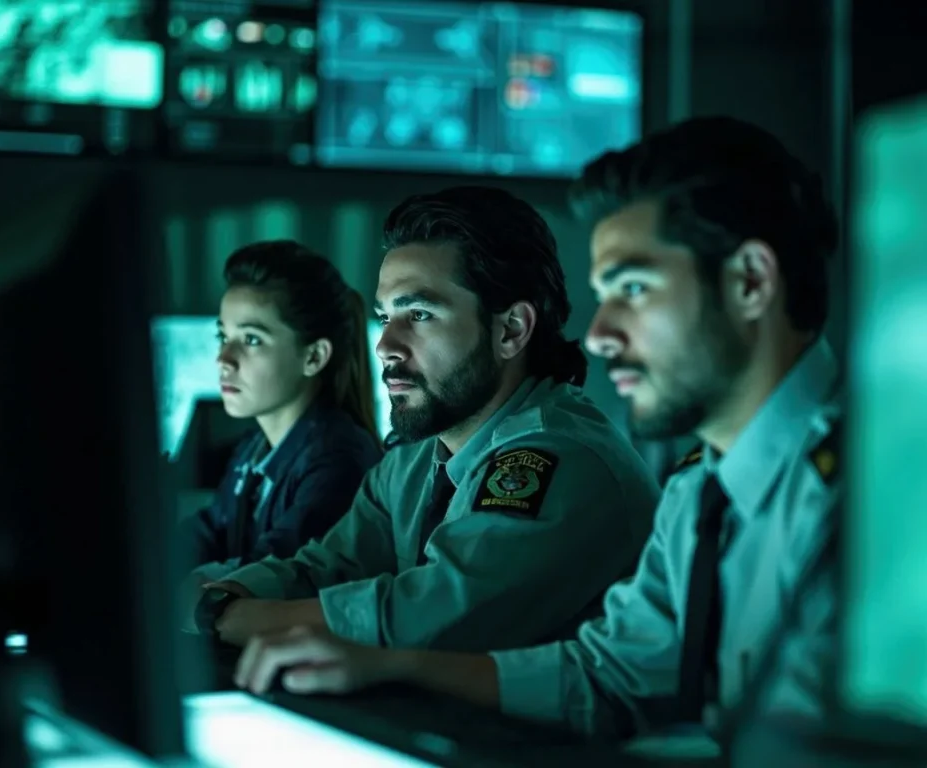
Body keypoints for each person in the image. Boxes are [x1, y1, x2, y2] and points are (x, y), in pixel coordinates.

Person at [230, 118, 842, 743]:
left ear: (750, 283)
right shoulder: (702, 491)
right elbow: (610, 674)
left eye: (634, 288)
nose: (601, 334)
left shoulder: (877, 492)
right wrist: (386, 665)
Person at [192, 186, 660, 653]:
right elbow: (328, 566)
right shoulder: (416, 456)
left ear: (511, 329)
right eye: (386, 316)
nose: (385, 346)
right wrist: (239, 592)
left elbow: (435, 615)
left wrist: (241, 619)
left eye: (418, 314)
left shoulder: (561, 459)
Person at [178, 240, 382, 585]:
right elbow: (211, 529)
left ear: (314, 357)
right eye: (223, 336)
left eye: (251, 339)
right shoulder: (254, 448)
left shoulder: (338, 460)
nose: (224, 359)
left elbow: (274, 573)